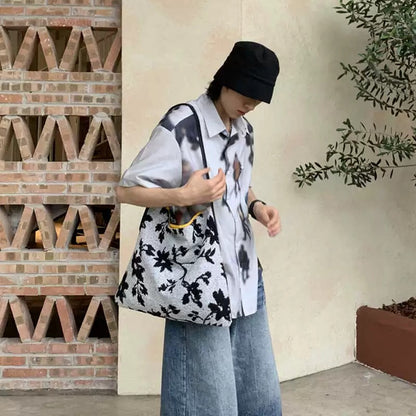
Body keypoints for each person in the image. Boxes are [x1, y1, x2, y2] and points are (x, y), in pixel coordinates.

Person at [116, 41, 282, 416]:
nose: (250, 104)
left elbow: (239, 185)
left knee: (261, 398)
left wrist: (258, 207)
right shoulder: (182, 124)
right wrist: (184, 194)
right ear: (225, 81)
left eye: (258, 100)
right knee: (208, 403)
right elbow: (125, 190)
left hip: (246, 275)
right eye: (245, 94)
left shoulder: (244, 130)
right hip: (200, 279)